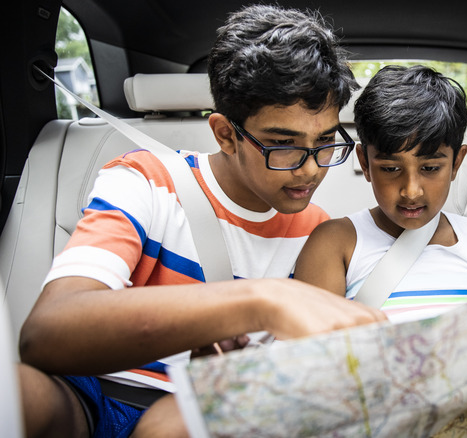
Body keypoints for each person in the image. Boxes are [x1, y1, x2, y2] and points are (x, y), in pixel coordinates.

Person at [17, 4, 386, 437]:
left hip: (208, 413)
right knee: (19, 393)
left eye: (324, 142)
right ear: (225, 134)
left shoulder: (320, 233)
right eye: (282, 144)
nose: (309, 169)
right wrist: (257, 301)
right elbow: (46, 333)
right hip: (90, 391)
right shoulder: (146, 182)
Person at [294, 65, 467, 322]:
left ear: (457, 162)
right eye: (390, 168)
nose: (411, 191)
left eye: (431, 168)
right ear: (365, 163)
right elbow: (316, 352)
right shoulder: (335, 243)